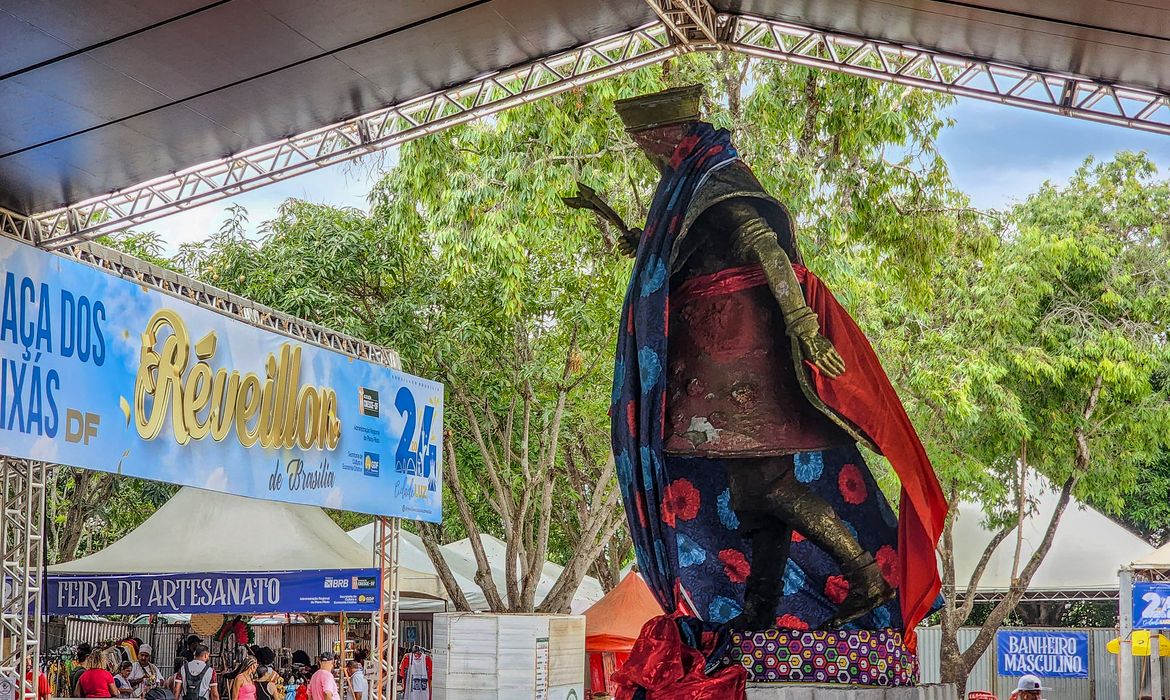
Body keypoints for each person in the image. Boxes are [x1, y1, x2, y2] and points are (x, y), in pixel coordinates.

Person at [568, 84, 947, 634]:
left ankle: (864, 572)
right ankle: (762, 609)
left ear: (665, 136)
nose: (647, 154)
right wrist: (643, 243)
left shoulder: (715, 177)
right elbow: (698, 253)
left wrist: (803, 325)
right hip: (719, 351)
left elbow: (766, 245)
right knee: (751, 496)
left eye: (646, 143)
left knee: (768, 485)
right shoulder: (689, 187)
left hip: (743, 352)